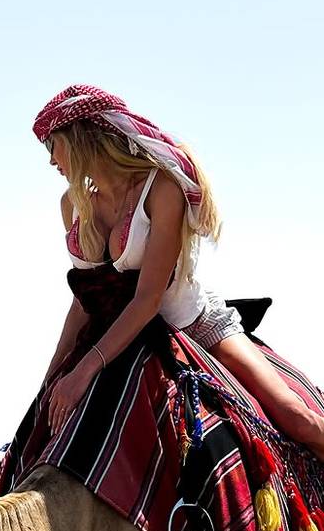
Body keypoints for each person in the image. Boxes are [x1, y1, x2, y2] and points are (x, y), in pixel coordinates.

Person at [34, 84, 324, 460]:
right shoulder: (72, 205)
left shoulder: (161, 189)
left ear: (80, 138)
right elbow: (82, 303)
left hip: (191, 326)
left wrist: (85, 369)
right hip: (114, 337)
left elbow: (149, 299)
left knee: (296, 419)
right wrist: (52, 376)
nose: (50, 161)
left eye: (51, 145)